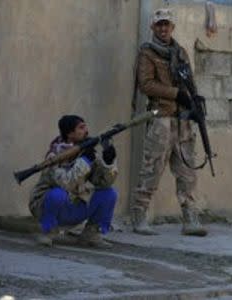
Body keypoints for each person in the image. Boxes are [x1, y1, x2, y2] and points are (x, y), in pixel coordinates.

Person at [131, 8, 207, 236]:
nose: (164, 28)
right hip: (161, 117)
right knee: (152, 168)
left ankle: (190, 217)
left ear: (172, 27)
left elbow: (189, 82)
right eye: (160, 25)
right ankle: (139, 215)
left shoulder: (180, 52)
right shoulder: (147, 53)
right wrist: (175, 94)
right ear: (153, 27)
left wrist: (194, 103)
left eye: (167, 25)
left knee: (187, 170)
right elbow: (146, 85)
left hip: (182, 118)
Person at [29, 115, 118, 248]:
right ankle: (47, 232)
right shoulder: (55, 155)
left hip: (74, 205)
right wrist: (85, 161)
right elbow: (66, 183)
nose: (86, 131)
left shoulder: (85, 152)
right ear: (70, 133)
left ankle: (91, 235)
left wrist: (108, 162)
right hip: (47, 206)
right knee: (57, 194)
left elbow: (104, 183)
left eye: (85, 127)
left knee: (109, 193)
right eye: (81, 128)